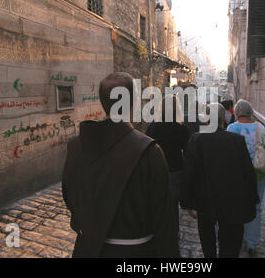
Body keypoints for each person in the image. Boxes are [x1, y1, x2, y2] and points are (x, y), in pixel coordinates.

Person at [62, 72, 179, 258]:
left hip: (87, 249)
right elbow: (164, 221)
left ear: (102, 101)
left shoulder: (75, 147)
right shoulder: (150, 152)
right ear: (132, 102)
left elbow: (69, 198)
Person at [181, 103, 259, 258]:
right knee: (230, 243)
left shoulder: (197, 139)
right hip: (232, 199)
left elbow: (189, 172)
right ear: (224, 118)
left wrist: (187, 202)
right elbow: (248, 172)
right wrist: (252, 198)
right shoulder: (236, 140)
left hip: (205, 198)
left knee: (207, 238)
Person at [227, 99, 265, 257]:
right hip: (257, 173)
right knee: (256, 207)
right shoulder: (259, 128)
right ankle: (252, 243)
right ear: (250, 112)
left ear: (237, 111)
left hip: (237, 174)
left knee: (237, 204)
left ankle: (237, 238)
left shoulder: (232, 128)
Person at [146, 95, 190, 230]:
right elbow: (187, 152)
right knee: (172, 206)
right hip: (175, 170)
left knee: (156, 203)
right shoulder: (181, 130)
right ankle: (172, 233)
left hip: (156, 170)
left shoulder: (153, 126)